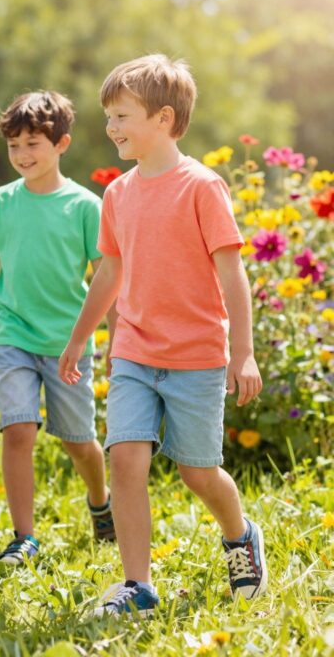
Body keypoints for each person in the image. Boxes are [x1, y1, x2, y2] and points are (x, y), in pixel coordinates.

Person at [59, 55, 266, 617]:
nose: (111, 127)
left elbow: (233, 274)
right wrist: (80, 339)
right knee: (126, 460)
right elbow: (109, 273)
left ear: (164, 118)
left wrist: (243, 353)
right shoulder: (118, 195)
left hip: (197, 356)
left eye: (121, 115)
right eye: (108, 116)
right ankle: (138, 585)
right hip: (134, 350)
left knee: (198, 472)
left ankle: (240, 535)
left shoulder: (201, 186)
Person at [0, 91, 114, 567]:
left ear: (61, 144)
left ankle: (100, 501)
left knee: (78, 441)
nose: (22, 154)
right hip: (12, 334)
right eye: (14, 145)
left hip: (68, 342)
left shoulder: (85, 206)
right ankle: (24, 536)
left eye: (32, 143)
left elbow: (106, 279)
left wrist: (115, 340)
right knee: (17, 431)